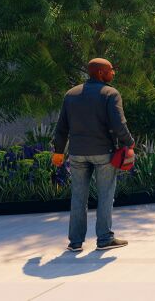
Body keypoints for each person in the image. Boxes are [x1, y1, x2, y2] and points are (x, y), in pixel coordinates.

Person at [51, 58, 135, 252]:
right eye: (110, 70)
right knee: (105, 195)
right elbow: (119, 124)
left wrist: (58, 151)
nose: (113, 73)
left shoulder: (70, 95)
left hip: (77, 154)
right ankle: (104, 239)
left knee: (78, 197)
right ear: (100, 73)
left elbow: (61, 127)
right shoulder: (110, 94)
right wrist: (129, 143)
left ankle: (75, 242)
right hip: (103, 153)